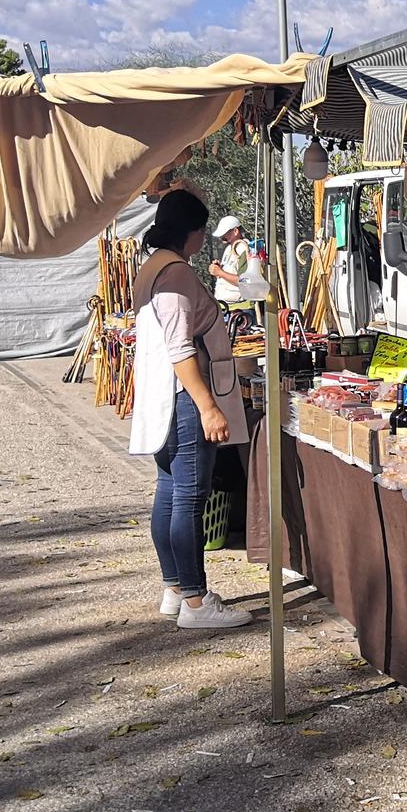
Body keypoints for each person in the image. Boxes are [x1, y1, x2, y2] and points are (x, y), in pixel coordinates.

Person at [129, 189, 252, 630]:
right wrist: (208, 407)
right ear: (195, 232)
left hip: (165, 394)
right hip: (184, 396)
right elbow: (181, 347)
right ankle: (196, 602)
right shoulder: (176, 275)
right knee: (188, 497)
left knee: (169, 491)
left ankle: (175, 588)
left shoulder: (153, 267)